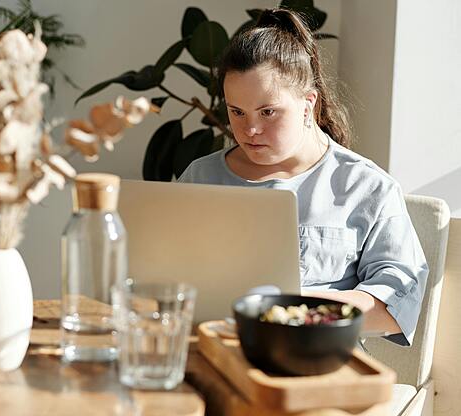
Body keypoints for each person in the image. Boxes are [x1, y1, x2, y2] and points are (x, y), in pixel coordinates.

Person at [178, 8, 428, 346]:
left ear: (308, 103)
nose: (250, 129)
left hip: (314, 364)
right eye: (237, 112)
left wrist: (286, 312)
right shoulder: (200, 177)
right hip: (213, 356)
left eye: (268, 112)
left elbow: (394, 307)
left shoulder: (367, 188)